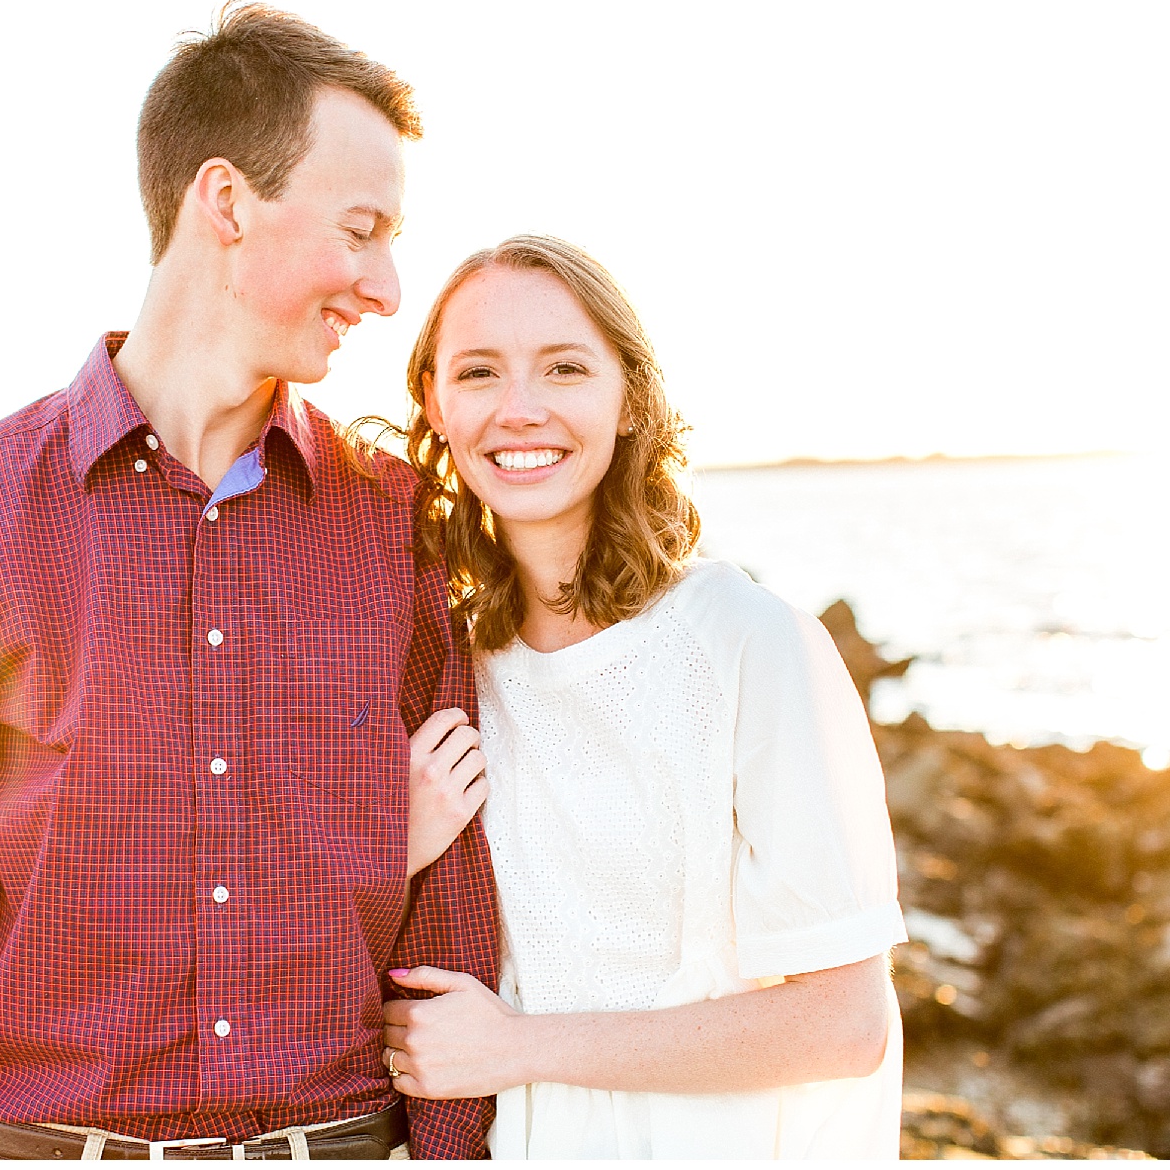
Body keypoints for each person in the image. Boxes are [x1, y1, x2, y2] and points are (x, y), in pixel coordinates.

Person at [0, 5, 501, 1161]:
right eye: (362, 231)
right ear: (226, 202)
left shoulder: (399, 524)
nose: (386, 289)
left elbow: (450, 935)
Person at [382, 235, 909, 1158]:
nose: (520, 408)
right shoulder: (452, 665)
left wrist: (518, 1045)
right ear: (435, 401)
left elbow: (844, 1021)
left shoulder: (749, 642)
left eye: (564, 367)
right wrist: (392, 847)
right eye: (478, 372)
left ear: (630, 398)